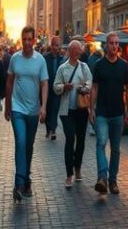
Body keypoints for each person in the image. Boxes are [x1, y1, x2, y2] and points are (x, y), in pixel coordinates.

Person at [5, 26, 48, 203]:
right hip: (18, 109)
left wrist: (43, 106)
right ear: (21, 40)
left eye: (30, 39)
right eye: (25, 39)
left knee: (28, 146)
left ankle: (26, 179)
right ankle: (19, 184)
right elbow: (9, 83)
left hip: (33, 110)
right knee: (21, 142)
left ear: (35, 40)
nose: (27, 43)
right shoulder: (15, 58)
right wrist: (8, 105)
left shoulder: (40, 61)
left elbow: (45, 84)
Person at [90, 31, 128, 195]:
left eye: (116, 43)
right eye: (111, 43)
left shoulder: (123, 65)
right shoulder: (99, 65)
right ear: (106, 45)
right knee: (101, 143)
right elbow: (94, 87)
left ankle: (113, 181)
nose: (114, 46)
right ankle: (102, 177)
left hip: (117, 113)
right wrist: (91, 108)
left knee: (115, 149)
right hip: (101, 112)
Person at [53, 39, 92, 187]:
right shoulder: (63, 68)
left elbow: (90, 81)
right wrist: (64, 87)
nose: (78, 52)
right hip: (66, 111)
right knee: (70, 139)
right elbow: (55, 86)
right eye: (75, 50)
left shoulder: (84, 67)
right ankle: (69, 174)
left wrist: (85, 87)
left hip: (81, 109)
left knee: (81, 140)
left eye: (79, 50)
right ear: (70, 51)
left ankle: (78, 168)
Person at [44, 36, 64, 140]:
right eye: (55, 45)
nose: (56, 47)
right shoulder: (45, 58)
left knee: (55, 110)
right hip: (47, 89)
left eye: (58, 45)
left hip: (57, 89)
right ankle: (48, 129)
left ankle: (53, 131)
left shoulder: (62, 59)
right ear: (51, 46)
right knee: (48, 110)